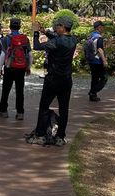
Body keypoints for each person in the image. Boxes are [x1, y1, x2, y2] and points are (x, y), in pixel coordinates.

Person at [27, 16, 78, 146]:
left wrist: (36, 32)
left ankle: (40, 135)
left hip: (53, 79)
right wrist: (45, 31)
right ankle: (60, 136)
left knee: (44, 106)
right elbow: (57, 37)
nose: (55, 28)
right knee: (64, 108)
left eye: (57, 26)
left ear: (62, 27)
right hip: (66, 79)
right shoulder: (73, 40)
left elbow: (37, 46)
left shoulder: (56, 42)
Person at [0, 18, 32, 119]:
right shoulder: (25, 39)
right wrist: (28, 67)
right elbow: (29, 55)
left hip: (9, 67)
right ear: (20, 26)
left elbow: (3, 55)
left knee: (6, 90)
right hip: (21, 68)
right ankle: (20, 112)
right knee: (20, 90)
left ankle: (3, 111)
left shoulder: (5, 39)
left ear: (10, 26)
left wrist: (0, 69)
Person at [86, 20, 108, 101]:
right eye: (102, 27)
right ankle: (93, 92)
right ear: (99, 27)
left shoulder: (91, 36)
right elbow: (99, 49)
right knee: (104, 78)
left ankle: (93, 96)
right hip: (98, 61)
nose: (103, 29)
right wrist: (104, 60)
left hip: (91, 60)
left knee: (94, 78)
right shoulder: (99, 37)